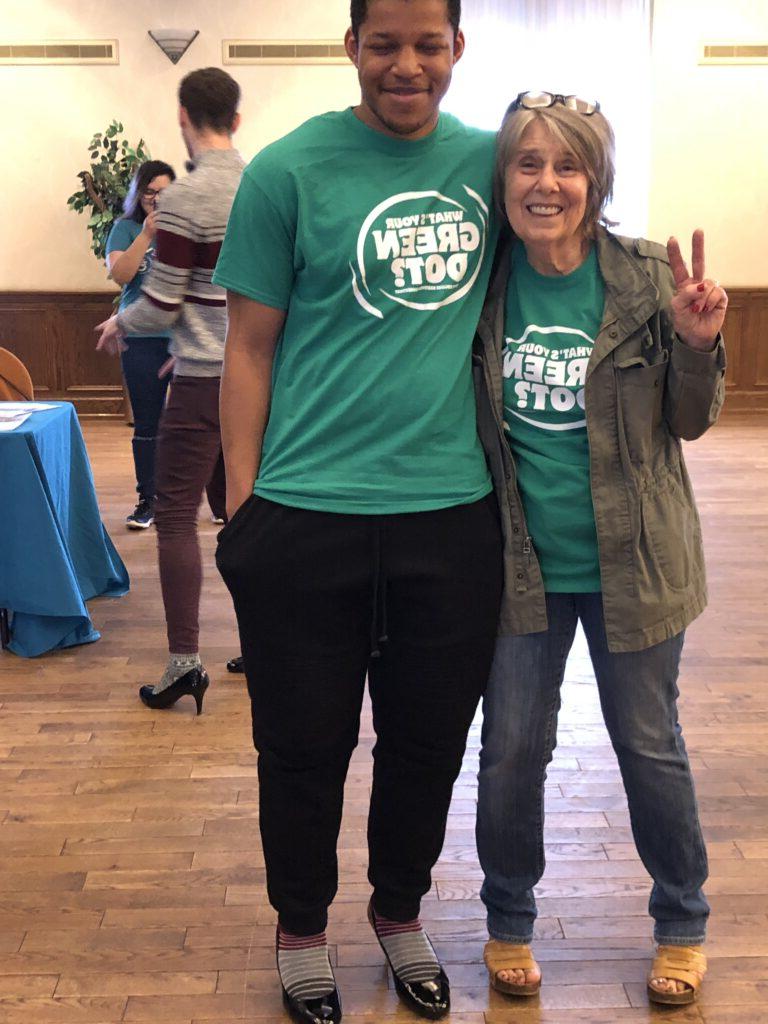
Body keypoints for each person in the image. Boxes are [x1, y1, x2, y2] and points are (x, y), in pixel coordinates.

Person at [213, 1, 503, 1020]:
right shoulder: (288, 171)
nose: (407, 66)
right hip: (303, 516)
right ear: (353, 48)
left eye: (429, 45)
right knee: (302, 743)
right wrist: (242, 514)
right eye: (386, 44)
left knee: (429, 741)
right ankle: (300, 927)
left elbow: (568, 251)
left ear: (457, 49)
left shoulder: (494, 164)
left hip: (451, 518)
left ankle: (398, 911)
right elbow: (247, 348)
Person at [472, 91, 727, 1008]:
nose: (546, 184)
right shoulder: (481, 281)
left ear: (595, 179)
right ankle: (507, 918)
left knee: (648, 745)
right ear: (503, 178)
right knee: (509, 750)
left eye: (566, 165)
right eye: (527, 164)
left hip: (639, 564)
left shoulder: (644, 276)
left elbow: (690, 422)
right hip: (517, 566)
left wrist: (699, 345)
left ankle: (683, 921)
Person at [95, 67, 244, 713]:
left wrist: (118, 321)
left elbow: (159, 305)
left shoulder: (184, 198)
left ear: (184, 118)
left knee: (175, 519)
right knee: (243, 517)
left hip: (201, 385)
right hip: (255, 383)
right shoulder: (267, 185)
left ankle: (185, 662)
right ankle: (267, 643)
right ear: (236, 120)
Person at [105, 160, 176, 528]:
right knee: (147, 424)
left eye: (164, 192)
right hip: (142, 341)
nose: (156, 199)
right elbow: (120, 275)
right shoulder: (125, 229)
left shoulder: (187, 228)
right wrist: (146, 236)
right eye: (149, 192)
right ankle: (148, 500)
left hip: (185, 342)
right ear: (138, 194)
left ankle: (208, 498)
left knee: (197, 423)